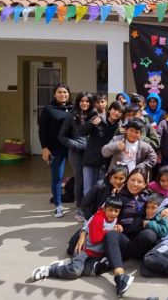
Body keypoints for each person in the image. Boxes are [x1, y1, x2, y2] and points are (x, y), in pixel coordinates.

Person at [100, 169, 168, 298]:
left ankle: (114, 258)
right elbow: (104, 214)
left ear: (145, 184)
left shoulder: (149, 196)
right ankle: (120, 276)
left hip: (141, 239)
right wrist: (116, 223)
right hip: (124, 236)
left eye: (139, 181)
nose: (135, 184)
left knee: (150, 235)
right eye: (132, 180)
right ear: (127, 180)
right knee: (110, 235)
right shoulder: (118, 195)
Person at [31, 197, 123, 287]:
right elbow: (95, 239)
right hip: (84, 252)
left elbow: (110, 228)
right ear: (104, 209)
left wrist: (118, 227)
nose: (113, 214)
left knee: (95, 269)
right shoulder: (98, 218)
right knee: (75, 272)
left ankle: (67, 264)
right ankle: (48, 271)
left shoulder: (114, 219)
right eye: (110, 210)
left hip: (96, 255)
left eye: (116, 211)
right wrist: (110, 231)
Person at [58, 92, 94, 222]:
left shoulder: (94, 115)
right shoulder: (71, 116)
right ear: (78, 102)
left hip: (91, 152)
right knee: (80, 179)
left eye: (87, 101)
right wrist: (75, 145)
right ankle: (79, 207)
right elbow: (62, 136)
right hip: (76, 152)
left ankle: (90, 205)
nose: (85, 103)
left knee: (91, 179)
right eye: (82, 101)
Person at [39, 83, 73, 218]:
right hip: (55, 148)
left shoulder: (73, 108)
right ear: (54, 94)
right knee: (57, 177)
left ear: (69, 94)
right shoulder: (48, 109)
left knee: (81, 175)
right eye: (59, 92)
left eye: (65, 92)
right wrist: (44, 148)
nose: (62, 94)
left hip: (72, 146)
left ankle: (81, 203)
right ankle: (58, 205)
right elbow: (42, 130)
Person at [80, 101, 124, 196]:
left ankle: (97, 210)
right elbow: (82, 132)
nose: (116, 113)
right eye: (115, 110)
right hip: (91, 161)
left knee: (100, 189)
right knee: (88, 189)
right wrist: (91, 123)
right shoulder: (98, 119)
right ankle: (85, 210)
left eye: (120, 112)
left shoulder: (120, 128)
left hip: (105, 163)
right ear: (109, 109)